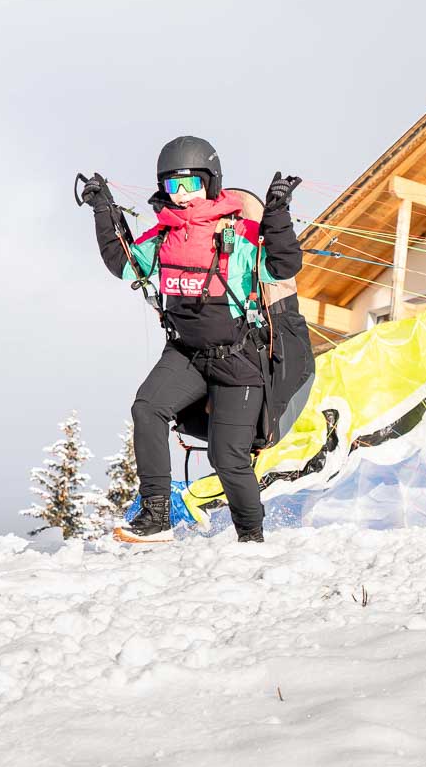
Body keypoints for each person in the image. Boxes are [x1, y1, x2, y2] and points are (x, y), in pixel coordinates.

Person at [80, 136, 302, 543]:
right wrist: (103, 210)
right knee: (147, 409)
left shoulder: (240, 233)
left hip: (237, 360)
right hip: (186, 353)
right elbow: (125, 264)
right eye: (173, 185)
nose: (182, 195)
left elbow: (282, 265)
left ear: (211, 182)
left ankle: (251, 537)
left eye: (191, 184)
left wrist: (277, 214)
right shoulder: (164, 236)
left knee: (227, 456)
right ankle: (155, 515)